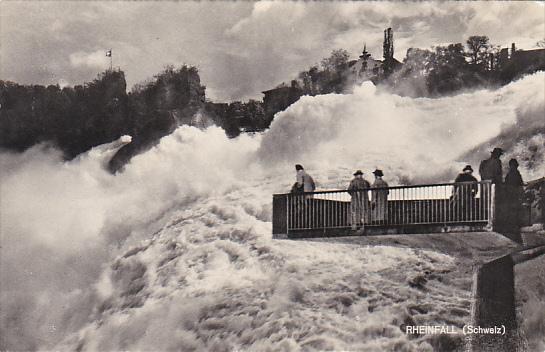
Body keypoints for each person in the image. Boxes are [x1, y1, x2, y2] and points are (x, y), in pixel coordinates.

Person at [504, 158, 524, 230]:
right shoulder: (517, 173)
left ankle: (511, 224)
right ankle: (515, 224)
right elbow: (520, 183)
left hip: (509, 194)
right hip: (515, 194)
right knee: (516, 209)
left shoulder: (509, 174)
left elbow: (505, 184)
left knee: (510, 209)